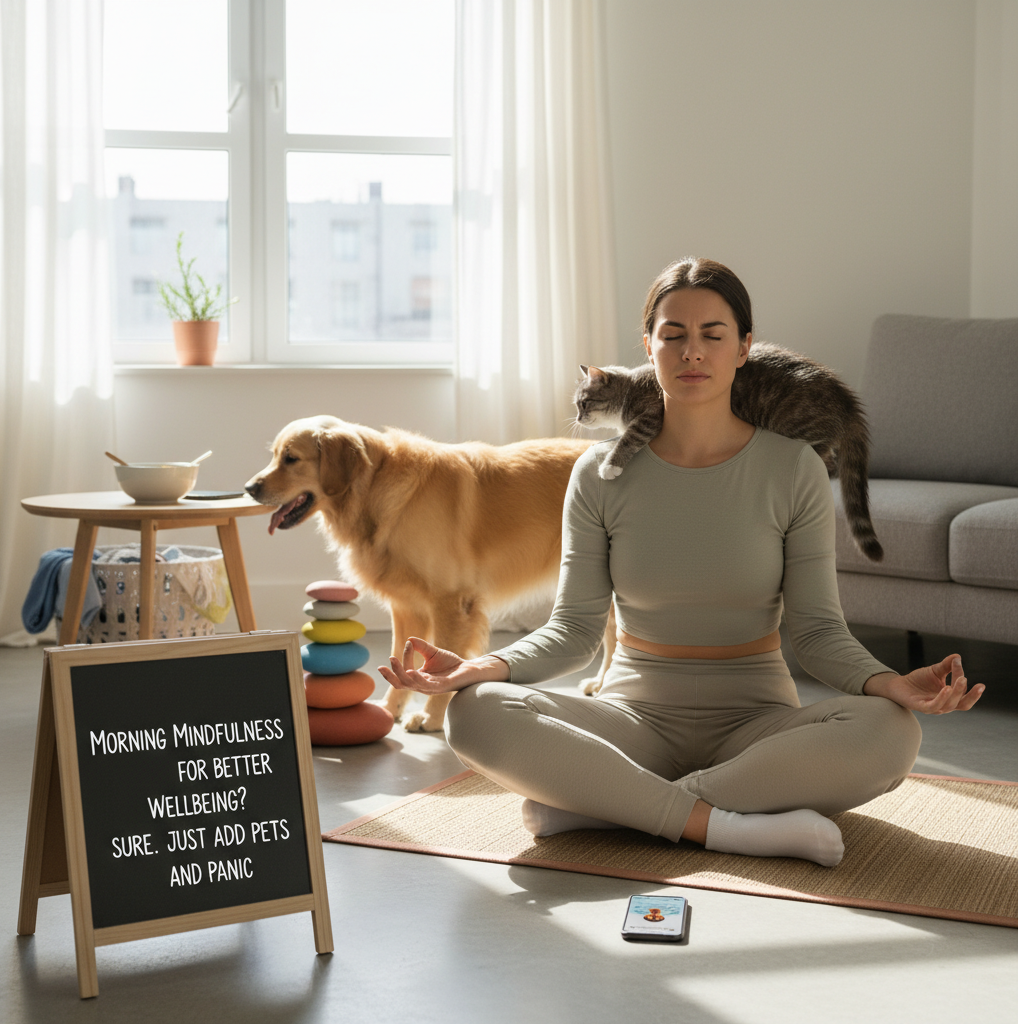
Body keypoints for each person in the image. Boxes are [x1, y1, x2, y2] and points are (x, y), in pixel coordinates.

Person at [377, 257, 984, 867]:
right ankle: (730, 827)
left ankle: (607, 808)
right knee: (476, 713)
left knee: (893, 731)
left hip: (757, 725)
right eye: (674, 335)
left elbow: (820, 633)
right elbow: (574, 632)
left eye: (713, 335)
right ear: (648, 347)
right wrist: (484, 666)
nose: (692, 352)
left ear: (744, 348)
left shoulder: (793, 467)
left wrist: (891, 683)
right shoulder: (599, 473)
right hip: (632, 719)